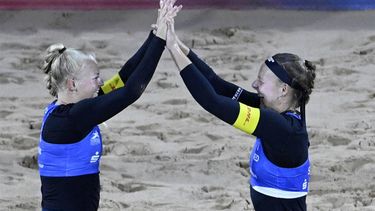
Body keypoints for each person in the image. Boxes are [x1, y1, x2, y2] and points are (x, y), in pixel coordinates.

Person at [37, 1, 181, 210]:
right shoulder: (75, 117)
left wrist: (155, 33)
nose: (101, 83)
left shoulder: (69, 110)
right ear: (72, 84)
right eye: (95, 77)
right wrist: (160, 42)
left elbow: (124, 78)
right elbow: (131, 91)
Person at [165, 18, 316, 211]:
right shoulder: (272, 111)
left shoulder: (281, 129)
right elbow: (217, 86)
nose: (254, 85)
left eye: (261, 81)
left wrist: (173, 51)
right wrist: (177, 44)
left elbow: (212, 102)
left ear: (283, 90)